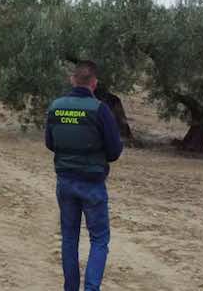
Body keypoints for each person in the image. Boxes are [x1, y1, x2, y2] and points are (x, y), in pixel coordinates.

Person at [45, 61, 123, 291]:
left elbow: (50, 143)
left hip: (65, 181)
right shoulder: (100, 110)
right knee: (99, 239)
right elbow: (114, 151)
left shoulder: (56, 107)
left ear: (72, 80)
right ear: (94, 83)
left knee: (69, 238)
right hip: (92, 183)